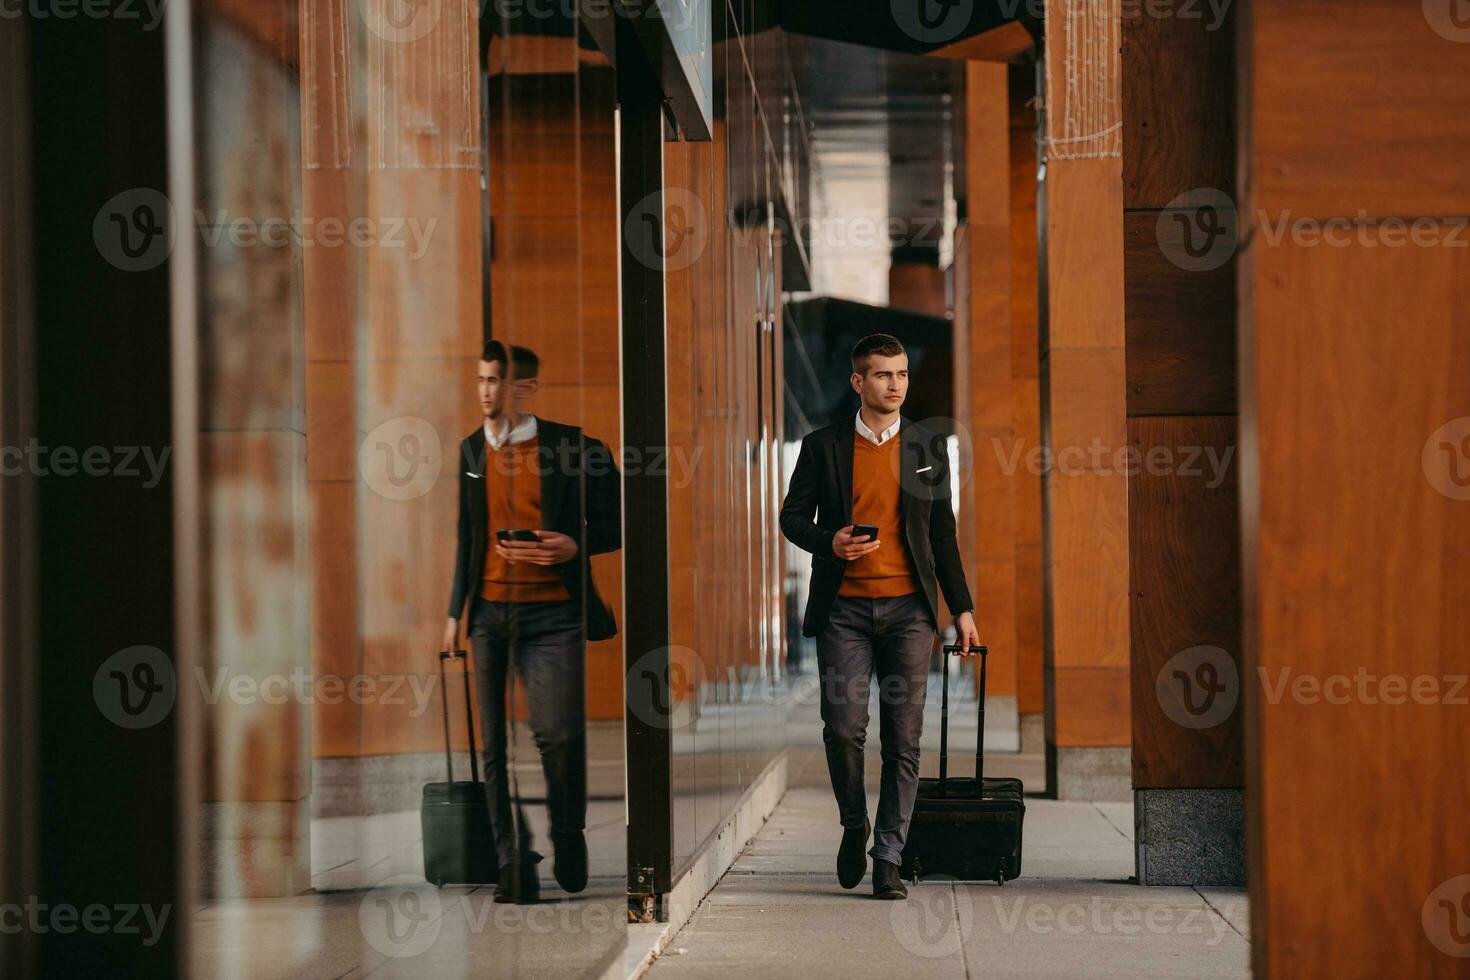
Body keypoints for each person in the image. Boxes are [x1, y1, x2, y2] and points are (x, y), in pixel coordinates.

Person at [779, 332, 980, 900]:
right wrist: (830, 542)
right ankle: (852, 824)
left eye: (902, 375)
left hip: (910, 613)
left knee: (904, 739)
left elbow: (943, 536)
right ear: (858, 382)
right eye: (883, 375)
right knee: (843, 731)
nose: (895, 385)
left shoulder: (928, 449)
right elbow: (791, 518)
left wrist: (961, 609)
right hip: (843, 611)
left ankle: (888, 855)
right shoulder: (822, 447)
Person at [442, 340, 621, 903]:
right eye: (482, 380)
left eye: (498, 381)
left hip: (554, 616)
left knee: (557, 734)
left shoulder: (572, 446)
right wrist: (454, 615)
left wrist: (575, 545)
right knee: (493, 744)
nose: (488, 392)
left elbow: (623, 520)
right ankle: (511, 861)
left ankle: (567, 833)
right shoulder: (472, 451)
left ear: (527, 388)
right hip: (490, 614)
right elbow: (467, 539)